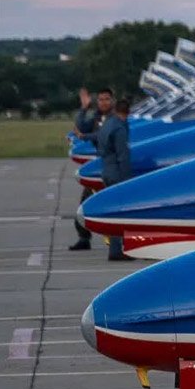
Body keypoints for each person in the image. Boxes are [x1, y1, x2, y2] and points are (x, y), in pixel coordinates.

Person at [93, 94, 132, 261]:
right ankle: (116, 249)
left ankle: (115, 247)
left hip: (106, 170)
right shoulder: (120, 128)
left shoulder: (107, 124)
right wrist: (128, 179)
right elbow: (122, 155)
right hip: (116, 172)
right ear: (127, 113)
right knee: (119, 212)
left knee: (112, 211)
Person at [69, 88, 100, 247]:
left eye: (107, 99)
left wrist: (85, 136)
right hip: (100, 166)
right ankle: (83, 238)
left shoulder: (114, 120)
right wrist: (84, 108)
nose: (103, 103)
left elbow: (102, 135)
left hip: (111, 167)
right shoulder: (96, 118)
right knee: (85, 203)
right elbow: (81, 126)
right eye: (101, 100)